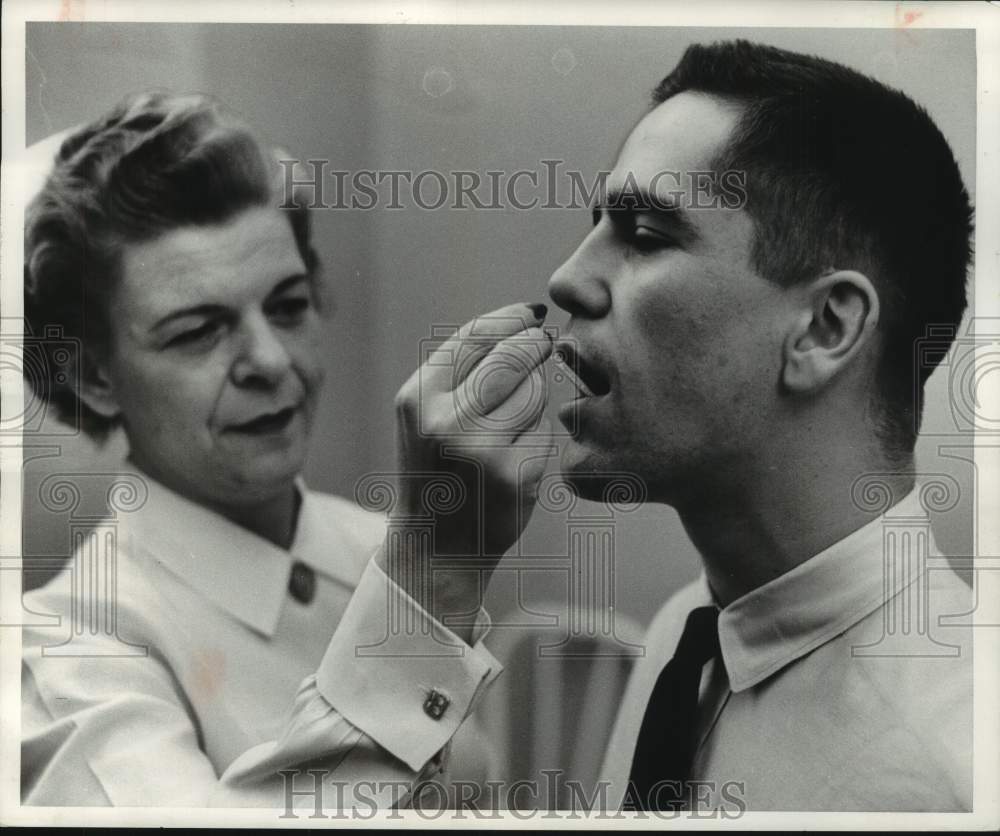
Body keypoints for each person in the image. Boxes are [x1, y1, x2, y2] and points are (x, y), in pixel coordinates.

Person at [394, 39, 975, 813]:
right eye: (599, 222)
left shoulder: (947, 765)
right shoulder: (685, 637)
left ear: (825, 329)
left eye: (645, 235)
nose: (567, 278)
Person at [20, 90, 549, 809]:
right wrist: (429, 586)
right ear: (92, 375)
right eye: (197, 330)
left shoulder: (377, 549)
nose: (269, 359)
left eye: (289, 305)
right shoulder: (71, 649)